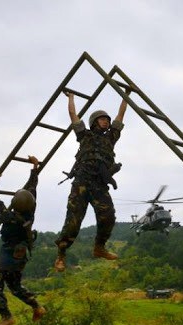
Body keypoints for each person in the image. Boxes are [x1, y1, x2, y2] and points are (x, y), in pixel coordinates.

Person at [54, 90, 130, 271]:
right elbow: (73, 115)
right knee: (73, 222)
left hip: (99, 184)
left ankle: (99, 247)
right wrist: (71, 98)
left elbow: (121, 115)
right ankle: (61, 256)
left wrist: (126, 95)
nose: (107, 121)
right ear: (94, 122)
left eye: (107, 120)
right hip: (82, 181)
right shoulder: (85, 136)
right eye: (103, 119)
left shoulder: (111, 138)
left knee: (108, 216)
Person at [0, 156, 46, 325]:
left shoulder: (10, 218)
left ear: (14, 204)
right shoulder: (30, 212)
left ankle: (6, 316)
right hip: (20, 256)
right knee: (14, 286)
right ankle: (37, 306)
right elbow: (32, 187)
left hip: (8, 257)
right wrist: (35, 167)